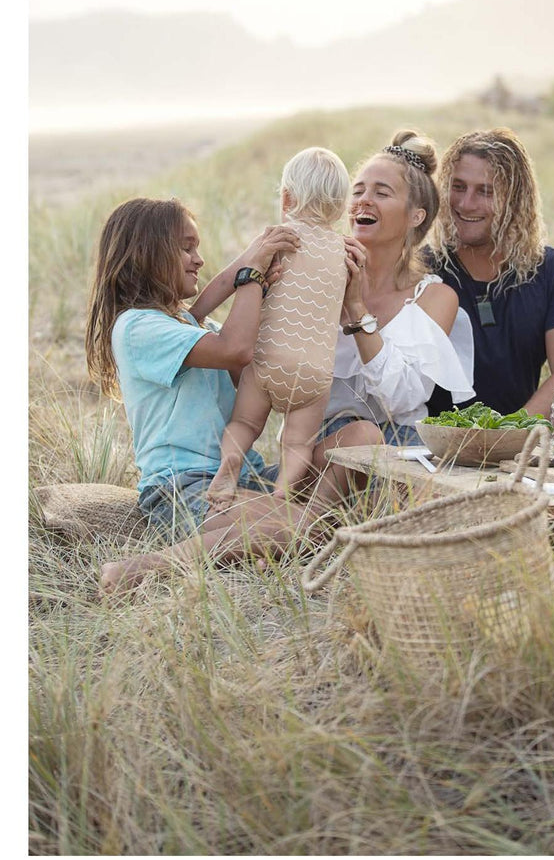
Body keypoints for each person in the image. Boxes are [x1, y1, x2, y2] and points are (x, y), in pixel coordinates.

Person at [86, 197, 381, 594]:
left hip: (247, 477)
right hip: (183, 487)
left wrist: (311, 289)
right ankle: (146, 566)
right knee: (303, 526)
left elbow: (252, 367)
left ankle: (288, 530)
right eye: (186, 247)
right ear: (148, 253)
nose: (198, 259)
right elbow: (236, 349)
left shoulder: (191, 324)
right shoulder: (137, 328)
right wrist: (252, 276)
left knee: (363, 439)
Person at [199, 147, 349, 507]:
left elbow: (231, 276)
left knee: (246, 425)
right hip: (314, 373)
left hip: (269, 359)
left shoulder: (276, 239)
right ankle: (282, 493)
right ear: (342, 207)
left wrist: (194, 313)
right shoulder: (347, 250)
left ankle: (231, 462)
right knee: (298, 443)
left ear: (286, 198)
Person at [313, 128, 474, 454]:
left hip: (404, 444)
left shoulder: (435, 298)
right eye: (357, 191)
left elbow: (401, 398)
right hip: (317, 445)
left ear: (416, 216)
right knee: (360, 437)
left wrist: (356, 308)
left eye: (382, 193)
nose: (363, 200)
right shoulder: (316, 278)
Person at [426, 127, 554, 419]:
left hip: (519, 448)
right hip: (429, 448)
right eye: (458, 186)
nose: (465, 204)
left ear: (515, 199)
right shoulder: (422, 269)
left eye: (485, 191)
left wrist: (509, 433)